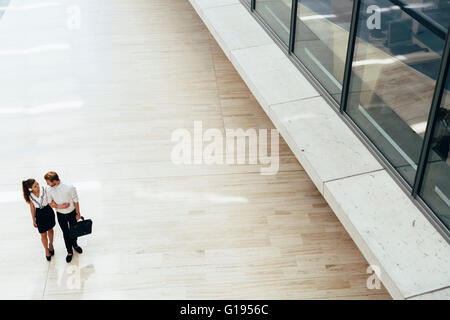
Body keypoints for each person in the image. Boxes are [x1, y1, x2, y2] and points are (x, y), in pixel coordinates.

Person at [22, 178, 69, 261]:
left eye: (37, 184)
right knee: (43, 234)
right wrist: (33, 220)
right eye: (35, 186)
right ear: (31, 189)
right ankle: (46, 250)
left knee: (50, 229)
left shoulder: (45, 189)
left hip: (48, 211)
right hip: (39, 214)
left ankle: (51, 244)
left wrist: (60, 205)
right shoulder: (30, 196)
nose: (38, 186)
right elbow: (32, 208)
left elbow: (51, 200)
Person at [44, 171, 83, 263]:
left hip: (72, 213)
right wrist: (59, 206)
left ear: (54, 181)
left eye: (48, 182)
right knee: (65, 232)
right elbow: (50, 203)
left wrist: (78, 214)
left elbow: (76, 201)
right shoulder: (49, 189)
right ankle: (69, 251)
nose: (47, 184)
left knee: (74, 230)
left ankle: (75, 245)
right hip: (60, 215)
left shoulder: (69, 187)